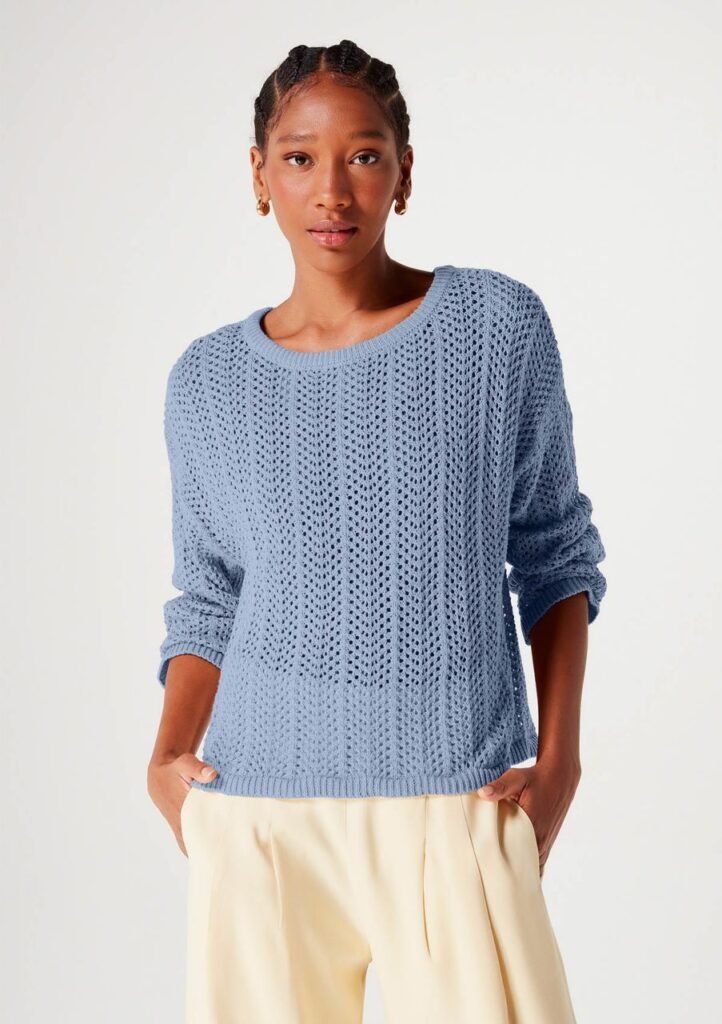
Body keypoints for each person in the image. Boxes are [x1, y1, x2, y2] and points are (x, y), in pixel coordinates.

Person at [147, 37, 607, 1024]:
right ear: (259, 175)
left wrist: (561, 759)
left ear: (404, 170)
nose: (332, 190)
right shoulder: (206, 383)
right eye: (299, 157)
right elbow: (211, 593)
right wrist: (166, 759)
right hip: (257, 808)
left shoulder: (495, 328)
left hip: (460, 794)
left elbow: (553, 551)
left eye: (363, 155)